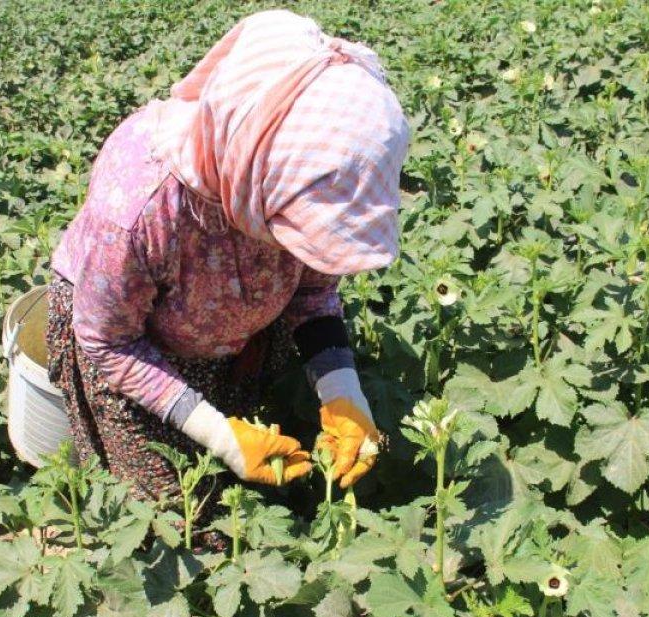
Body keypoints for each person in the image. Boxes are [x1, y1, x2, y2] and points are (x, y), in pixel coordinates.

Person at [45, 9, 409, 503]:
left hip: (227, 338)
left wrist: (343, 391)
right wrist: (218, 434)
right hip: (132, 353)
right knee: (176, 508)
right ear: (250, 172)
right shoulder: (138, 211)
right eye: (293, 230)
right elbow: (109, 342)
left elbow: (313, 292)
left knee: (239, 462)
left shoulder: (281, 175)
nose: (295, 248)